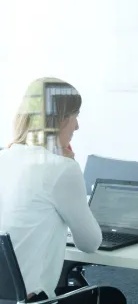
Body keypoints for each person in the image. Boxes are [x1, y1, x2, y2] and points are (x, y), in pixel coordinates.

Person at [0, 77, 127, 303]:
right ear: (59, 120)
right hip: (32, 299)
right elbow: (90, 243)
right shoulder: (61, 168)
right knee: (111, 297)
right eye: (75, 116)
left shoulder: (4, 157)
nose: (77, 126)